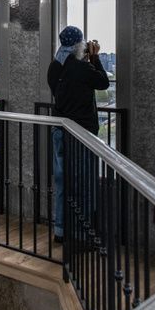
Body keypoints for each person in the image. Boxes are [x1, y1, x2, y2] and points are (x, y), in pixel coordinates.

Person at [47, 25, 110, 243]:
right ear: (79, 45)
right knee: (84, 182)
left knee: (62, 181)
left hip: (60, 129)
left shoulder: (54, 67)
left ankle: (61, 229)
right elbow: (103, 82)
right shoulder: (81, 69)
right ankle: (82, 234)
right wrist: (95, 58)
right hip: (81, 132)